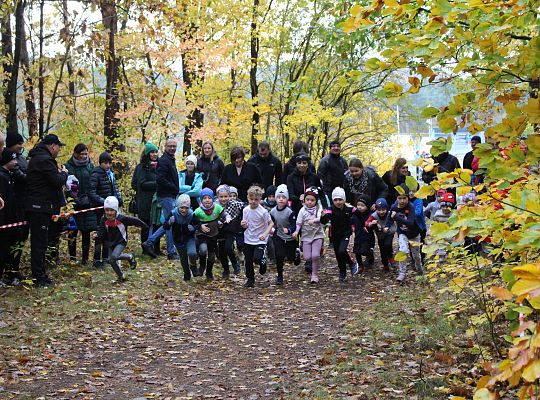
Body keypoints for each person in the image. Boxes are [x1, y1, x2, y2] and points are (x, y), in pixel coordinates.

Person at [25, 134, 68, 287]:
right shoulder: (45, 160)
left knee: (41, 242)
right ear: (52, 146)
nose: (58, 150)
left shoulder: (39, 158)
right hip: (39, 207)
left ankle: (41, 274)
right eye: (58, 147)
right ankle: (39, 277)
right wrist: (64, 173)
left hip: (41, 206)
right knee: (39, 244)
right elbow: (56, 181)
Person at [142, 139, 179, 260]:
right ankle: (171, 252)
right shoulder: (164, 161)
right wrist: (173, 187)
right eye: (170, 146)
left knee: (169, 222)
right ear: (165, 146)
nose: (172, 148)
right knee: (170, 223)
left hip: (170, 195)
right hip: (165, 196)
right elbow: (160, 179)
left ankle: (149, 242)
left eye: (174, 146)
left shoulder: (170, 160)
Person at [95, 196, 146, 282]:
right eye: (107, 210)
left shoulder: (122, 218)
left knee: (114, 257)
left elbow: (135, 221)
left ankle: (129, 258)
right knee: (111, 260)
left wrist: (145, 226)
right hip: (110, 242)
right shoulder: (103, 219)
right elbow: (101, 230)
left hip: (121, 241)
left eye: (111, 210)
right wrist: (97, 235)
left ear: (116, 210)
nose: (109, 213)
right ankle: (121, 275)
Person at [65, 143, 98, 265]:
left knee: (86, 230)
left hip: (87, 203)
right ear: (76, 154)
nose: (84, 156)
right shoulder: (68, 166)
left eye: (86, 153)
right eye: (82, 154)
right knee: (72, 230)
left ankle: (85, 258)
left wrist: (90, 197)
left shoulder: (90, 166)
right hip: (73, 203)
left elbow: (93, 183)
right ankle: (73, 258)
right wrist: (73, 198)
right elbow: (66, 185)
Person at [89, 151, 122, 268]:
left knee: (109, 234)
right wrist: (105, 202)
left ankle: (106, 257)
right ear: (101, 163)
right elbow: (92, 192)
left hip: (111, 210)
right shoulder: (96, 174)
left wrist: (118, 200)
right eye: (105, 163)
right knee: (100, 234)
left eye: (109, 163)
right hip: (100, 210)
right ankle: (97, 260)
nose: (108, 165)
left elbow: (115, 189)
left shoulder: (110, 174)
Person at [320, 187, 355, 283]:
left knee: (342, 250)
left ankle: (351, 263)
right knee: (338, 254)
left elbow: (359, 214)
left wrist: (362, 225)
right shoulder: (330, 209)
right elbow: (324, 220)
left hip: (346, 233)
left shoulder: (349, 208)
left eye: (340, 199)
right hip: (334, 235)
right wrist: (322, 216)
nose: (338, 202)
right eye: (335, 200)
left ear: (344, 200)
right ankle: (342, 272)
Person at [389, 184, 423, 283]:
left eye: (404, 198)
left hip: (414, 234)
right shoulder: (394, 207)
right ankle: (402, 273)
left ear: (408, 198)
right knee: (403, 251)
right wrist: (386, 226)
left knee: (416, 255)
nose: (402, 201)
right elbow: (389, 218)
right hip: (402, 233)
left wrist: (397, 218)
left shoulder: (411, 207)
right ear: (397, 198)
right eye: (400, 198)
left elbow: (411, 222)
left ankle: (420, 271)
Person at [241, 185, 274, 287]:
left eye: (256, 199)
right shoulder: (245, 210)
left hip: (260, 239)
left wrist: (265, 234)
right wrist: (244, 225)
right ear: (248, 198)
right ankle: (250, 279)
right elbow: (245, 224)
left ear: (260, 199)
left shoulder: (263, 211)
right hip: (248, 238)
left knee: (257, 258)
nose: (253, 202)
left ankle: (263, 262)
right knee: (248, 260)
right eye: (251, 199)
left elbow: (271, 223)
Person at [0, 149, 24, 285]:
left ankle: (11, 274)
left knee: (11, 248)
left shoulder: (11, 175)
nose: (15, 162)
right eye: (13, 160)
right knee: (3, 249)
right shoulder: (2, 177)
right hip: (4, 220)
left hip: (13, 218)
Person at [131, 142, 160, 254]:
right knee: (145, 225)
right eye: (152, 152)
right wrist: (157, 184)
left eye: (156, 151)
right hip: (144, 201)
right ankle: (145, 249)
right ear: (147, 154)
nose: (154, 154)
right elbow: (139, 184)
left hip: (155, 201)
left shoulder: (158, 166)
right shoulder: (142, 167)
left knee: (157, 224)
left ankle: (156, 248)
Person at [292, 187, 325, 284]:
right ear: (304, 200)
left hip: (317, 234)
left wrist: (315, 220)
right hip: (306, 236)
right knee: (307, 257)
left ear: (316, 200)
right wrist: (296, 232)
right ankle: (305, 252)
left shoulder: (318, 208)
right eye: (308, 200)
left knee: (315, 255)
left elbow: (322, 218)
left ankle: (314, 274)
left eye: (312, 200)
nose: (310, 202)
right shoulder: (302, 210)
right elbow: (298, 223)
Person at [163, 194, 199, 281]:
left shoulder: (191, 214)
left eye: (186, 208)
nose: (184, 210)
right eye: (182, 208)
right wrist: (169, 223)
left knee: (192, 253)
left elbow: (198, 224)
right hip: (178, 239)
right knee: (183, 259)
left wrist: (193, 228)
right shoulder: (173, 213)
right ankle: (187, 274)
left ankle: (193, 266)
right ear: (178, 206)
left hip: (189, 238)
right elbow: (165, 226)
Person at [269, 184, 300, 285]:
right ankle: (279, 276)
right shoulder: (273, 211)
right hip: (279, 236)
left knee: (290, 258)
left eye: (283, 197)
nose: (281, 199)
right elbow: (271, 223)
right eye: (278, 197)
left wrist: (290, 230)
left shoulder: (290, 212)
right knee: (279, 256)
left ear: (287, 199)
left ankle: (296, 253)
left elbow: (294, 225)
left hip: (290, 238)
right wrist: (271, 230)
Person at [194, 188, 225, 280]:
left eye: (209, 198)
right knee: (203, 250)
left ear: (213, 199)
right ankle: (202, 266)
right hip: (202, 235)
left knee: (212, 255)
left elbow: (224, 215)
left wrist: (225, 219)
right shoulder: (198, 211)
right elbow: (193, 222)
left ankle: (209, 272)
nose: (207, 200)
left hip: (214, 235)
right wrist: (200, 226)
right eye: (204, 198)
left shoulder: (217, 207)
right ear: (201, 200)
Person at [215, 185, 243, 278]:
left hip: (230, 229)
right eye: (221, 197)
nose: (223, 199)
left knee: (228, 248)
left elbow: (244, 206)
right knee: (221, 251)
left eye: (226, 196)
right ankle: (226, 269)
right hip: (219, 230)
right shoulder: (215, 205)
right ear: (218, 196)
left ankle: (235, 263)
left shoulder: (233, 203)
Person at [365, 198, 396, 272]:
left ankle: (391, 257)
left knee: (387, 244)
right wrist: (371, 223)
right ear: (376, 209)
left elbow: (398, 216)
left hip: (389, 232)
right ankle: (385, 264)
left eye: (383, 209)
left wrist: (395, 215)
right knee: (382, 250)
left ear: (386, 208)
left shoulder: (389, 213)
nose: (381, 212)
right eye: (379, 210)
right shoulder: (374, 215)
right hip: (380, 235)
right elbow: (366, 223)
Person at [351, 194, 376, 272]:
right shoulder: (355, 215)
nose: (359, 207)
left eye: (362, 205)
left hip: (367, 237)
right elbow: (351, 221)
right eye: (358, 205)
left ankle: (370, 256)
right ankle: (360, 265)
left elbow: (372, 226)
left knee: (365, 251)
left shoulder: (370, 215)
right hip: (358, 237)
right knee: (357, 252)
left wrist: (371, 224)